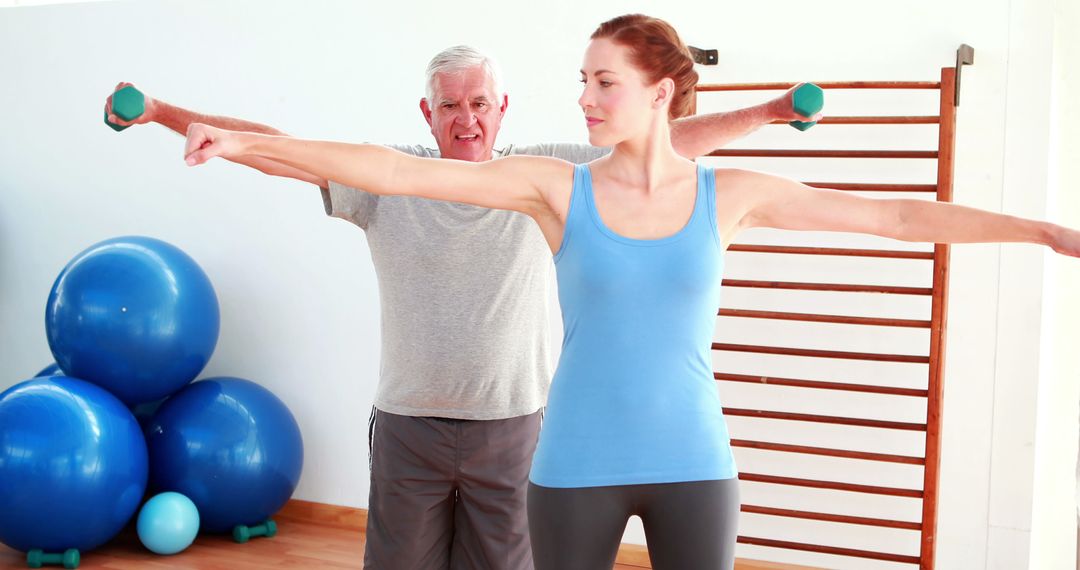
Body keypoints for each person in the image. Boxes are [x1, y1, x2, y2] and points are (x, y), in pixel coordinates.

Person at [181, 14, 1080, 569]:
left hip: (696, 463)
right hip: (570, 465)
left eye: (602, 81)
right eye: (582, 80)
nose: (584, 97)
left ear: (661, 94)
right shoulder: (555, 184)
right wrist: (245, 145)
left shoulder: (730, 195)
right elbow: (387, 170)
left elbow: (894, 218)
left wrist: (1040, 230)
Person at [109, 45, 816, 569]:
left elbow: (670, 145)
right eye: (451, 103)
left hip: (512, 432)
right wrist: (167, 116)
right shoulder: (386, 177)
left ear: (501, 110)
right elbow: (281, 150)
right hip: (410, 428)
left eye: (480, 102)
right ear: (429, 112)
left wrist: (772, 112)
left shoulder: (552, 176)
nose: (466, 117)